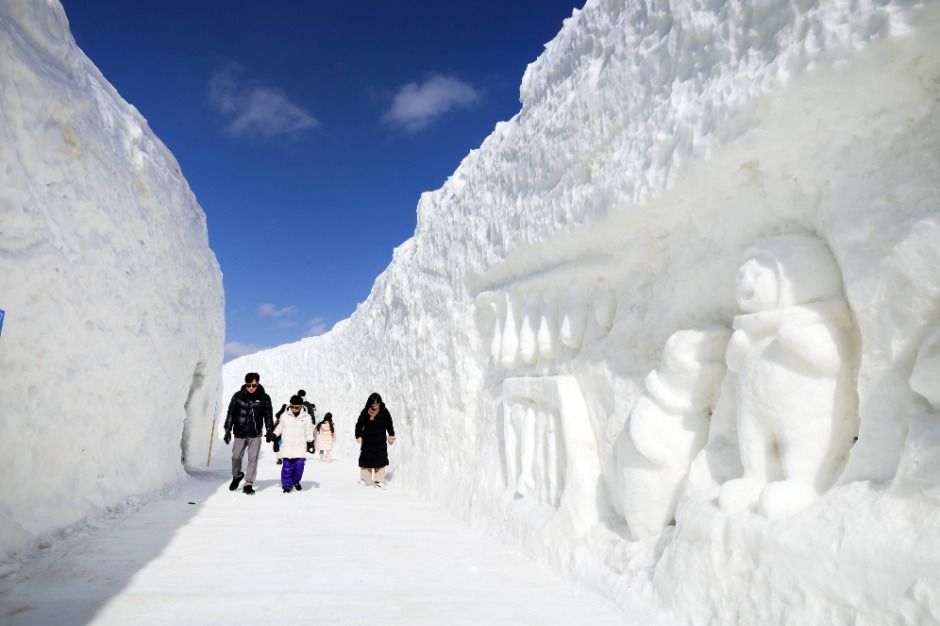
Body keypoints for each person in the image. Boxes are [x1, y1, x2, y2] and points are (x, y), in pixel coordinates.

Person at [224, 372, 274, 496]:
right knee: (236, 457)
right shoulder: (238, 396)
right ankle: (237, 476)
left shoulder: (264, 398)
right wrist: (227, 430)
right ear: (245, 384)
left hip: (255, 434)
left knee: (253, 458)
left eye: (254, 385)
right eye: (249, 385)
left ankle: (248, 484)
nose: (251, 388)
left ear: (258, 384)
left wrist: (269, 430)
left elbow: (268, 415)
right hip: (239, 432)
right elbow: (231, 413)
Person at [273, 395, 315, 493]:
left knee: (299, 466)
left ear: (301, 406)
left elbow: (309, 430)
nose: (294, 409)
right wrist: (275, 434)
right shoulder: (284, 416)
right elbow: (280, 427)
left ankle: (295, 481)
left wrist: (310, 441)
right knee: (286, 467)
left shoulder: (306, 417)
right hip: (287, 446)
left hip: (299, 446)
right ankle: (287, 486)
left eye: (296, 407)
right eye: (292, 406)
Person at [355, 393, 395, 489]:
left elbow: (389, 423)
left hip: (380, 441)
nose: (375, 405)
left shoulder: (384, 412)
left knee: (380, 461)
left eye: (377, 403)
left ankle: (379, 481)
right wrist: (358, 435)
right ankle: (365, 479)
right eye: (373, 404)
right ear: (370, 403)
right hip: (368, 440)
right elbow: (359, 424)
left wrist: (391, 435)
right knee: (366, 460)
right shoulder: (365, 412)